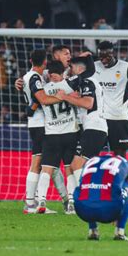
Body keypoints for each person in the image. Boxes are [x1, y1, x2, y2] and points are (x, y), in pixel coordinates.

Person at [22, 49, 69, 214]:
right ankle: (30, 203)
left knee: (48, 164)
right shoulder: (35, 78)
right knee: (39, 163)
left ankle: (37, 201)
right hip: (41, 124)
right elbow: (41, 98)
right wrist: (62, 98)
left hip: (36, 124)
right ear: (44, 63)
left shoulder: (27, 76)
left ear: (30, 60)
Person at [54, 56, 107, 188]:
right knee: (79, 166)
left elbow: (88, 104)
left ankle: (86, 195)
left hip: (95, 129)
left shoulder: (87, 81)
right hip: (92, 129)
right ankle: (82, 196)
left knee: (76, 165)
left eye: (71, 68)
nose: (70, 70)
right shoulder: (87, 83)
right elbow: (81, 98)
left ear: (79, 68)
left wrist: (65, 97)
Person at [35, 61, 80, 214]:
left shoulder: (44, 90)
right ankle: (72, 203)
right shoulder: (68, 86)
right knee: (69, 169)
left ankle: (41, 200)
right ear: (62, 73)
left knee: (47, 169)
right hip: (70, 134)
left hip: (52, 135)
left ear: (49, 74)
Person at [74, 153, 128, 241]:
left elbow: (81, 185)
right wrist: (126, 210)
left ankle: (93, 230)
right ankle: (120, 232)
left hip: (82, 211)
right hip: (110, 210)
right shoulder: (125, 162)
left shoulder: (90, 161)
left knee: (88, 189)